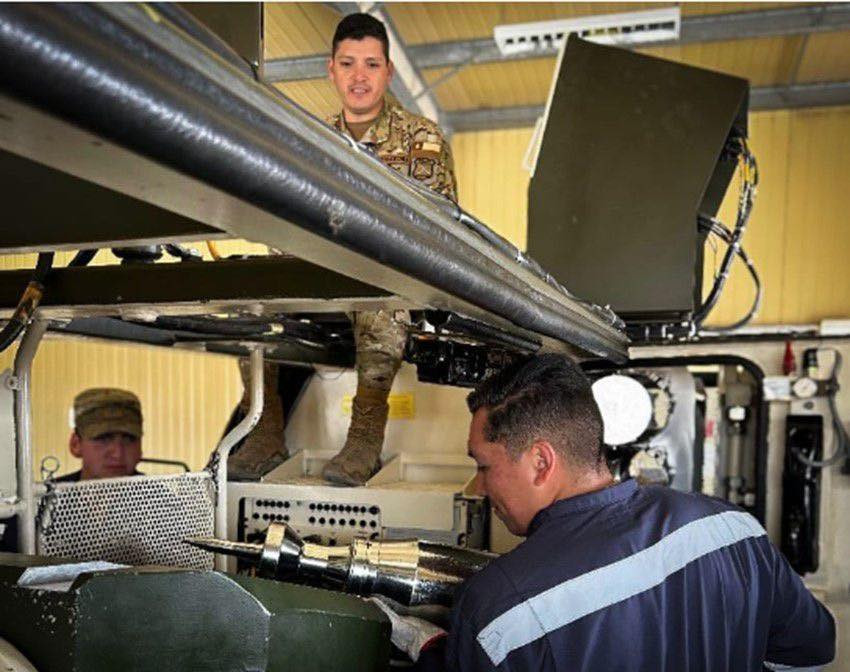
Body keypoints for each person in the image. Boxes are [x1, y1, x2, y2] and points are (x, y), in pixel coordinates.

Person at [382, 354, 835, 670]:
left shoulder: (498, 607)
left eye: (483, 466)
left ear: (541, 462)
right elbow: (811, 651)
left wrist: (437, 648)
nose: (479, 486)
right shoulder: (734, 532)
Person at [321, 13, 457, 486]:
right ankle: (266, 425)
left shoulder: (422, 140)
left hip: (394, 278)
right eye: (348, 63)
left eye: (371, 65)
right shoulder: (311, 141)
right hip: (329, 268)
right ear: (331, 69)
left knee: (381, 299)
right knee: (258, 298)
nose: (359, 77)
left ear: (388, 73)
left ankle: (364, 435)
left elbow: (433, 234)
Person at [54, 388, 144, 481]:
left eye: (129, 439)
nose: (118, 454)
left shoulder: (158, 494)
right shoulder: (50, 493)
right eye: (104, 439)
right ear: (76, 444)